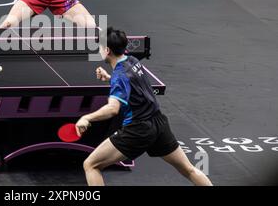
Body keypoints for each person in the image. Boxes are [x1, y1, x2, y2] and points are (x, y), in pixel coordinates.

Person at [75, 27, 213, 186]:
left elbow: (113, 109)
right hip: (159, 124)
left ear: (107, 50)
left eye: (100, 47)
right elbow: (132, 83)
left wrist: (86, 117)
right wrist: (110, 78)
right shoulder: (132, 60)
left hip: (138, 130)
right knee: (189, 170)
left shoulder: (120, 77)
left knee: (91, 165)